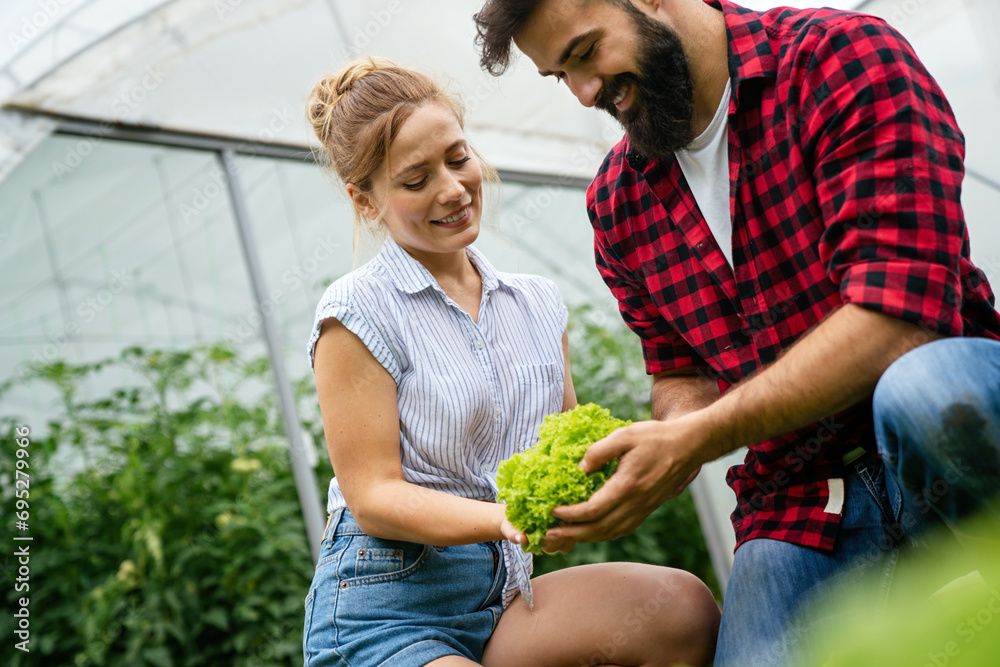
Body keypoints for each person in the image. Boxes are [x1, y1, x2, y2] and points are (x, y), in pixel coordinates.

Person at [472, 0, 1000, 664]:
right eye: (559, 77)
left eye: (583, 53)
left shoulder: (836, 60)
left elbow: (897, 322)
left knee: (926, 389)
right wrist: (670, 442)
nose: (583, 94)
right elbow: (680, 371)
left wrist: (701, 434)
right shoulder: (618, 203)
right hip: (801, 497)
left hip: (938, 435)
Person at [301, 56, 720, 667]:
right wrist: (505, 518)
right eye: (415, 181)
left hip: (503, 595)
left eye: (457, 157)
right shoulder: (356, 310)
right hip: (386, 606)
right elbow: (373, 497)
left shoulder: (536, 304)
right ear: (366, 200)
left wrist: (637, 463)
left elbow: (567, 450)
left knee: (682, 609)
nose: (451, 189)